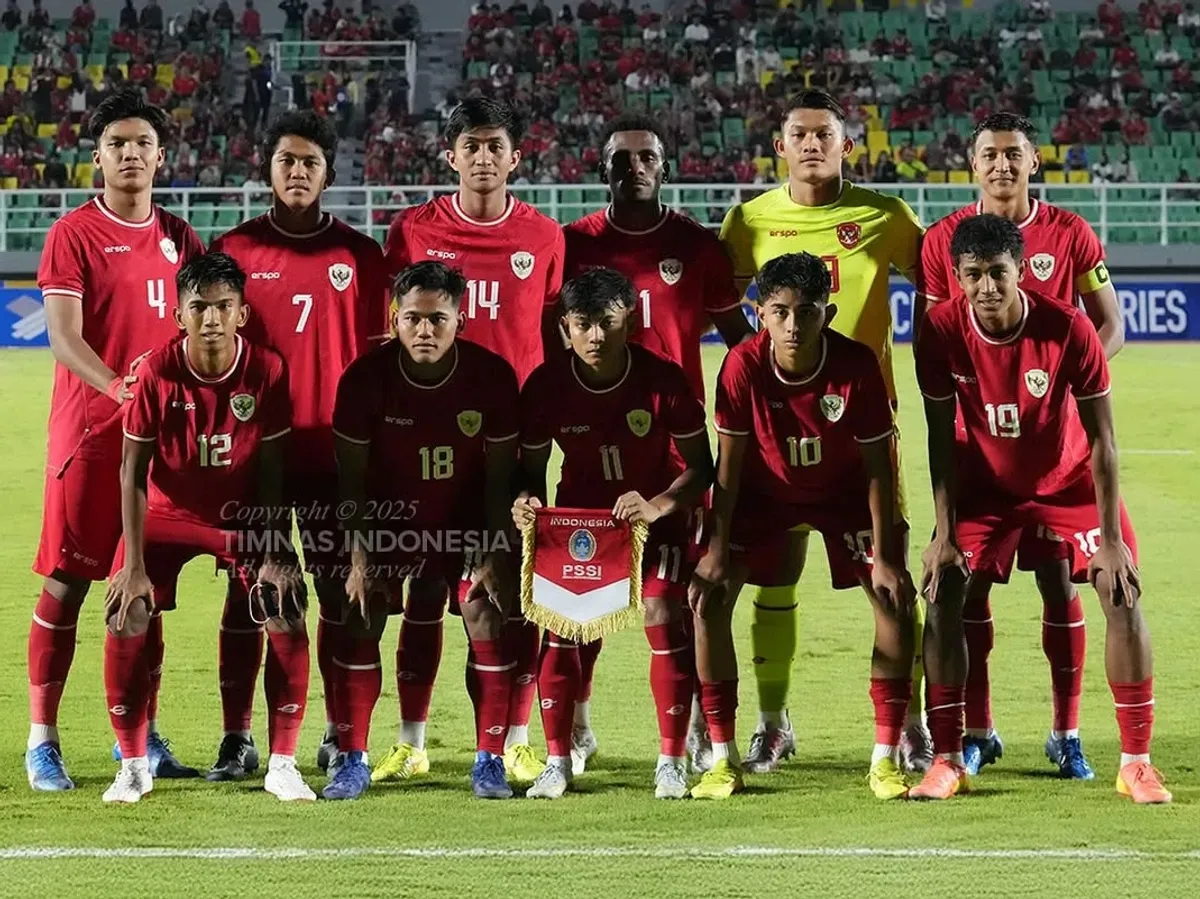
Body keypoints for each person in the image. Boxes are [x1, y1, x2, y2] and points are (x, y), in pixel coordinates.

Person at [912, 214, 1170, 805]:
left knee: (1120, 587)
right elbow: (938, 440)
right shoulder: (939, 332)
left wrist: (1110, 538)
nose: (986, 288)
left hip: (1069, 482)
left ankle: (1136, 762)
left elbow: (1104, 441)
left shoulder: (1069, 329)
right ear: (956, 278)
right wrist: (944, 535)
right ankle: (948, 758)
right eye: (972, 276)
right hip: (984, 488)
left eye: (998, 274)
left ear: (1021, 271)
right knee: (944, 591)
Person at [717, 87, 928, 775]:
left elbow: (938, 285)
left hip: (861, 430)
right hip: (775, 433)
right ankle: (772, 724)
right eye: (800, 134)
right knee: (773, 581)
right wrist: (759, 372)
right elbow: (726, 302)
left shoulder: (884, 214)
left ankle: (912, 723)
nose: (813, 144)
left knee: (890, 581)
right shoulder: (748, 218)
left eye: (826, 135)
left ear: (847, 145)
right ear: (778, 145)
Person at [917, 112, 1125, 780]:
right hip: (982, 448)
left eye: (1013, 154)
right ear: (970, 163)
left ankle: (1066, 733)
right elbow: (941, 337)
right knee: (965, 591)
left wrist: (1066, 383)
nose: (1002, 165)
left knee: (1059, 582)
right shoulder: (942, 241)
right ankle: (978, 731)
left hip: (1054, 442)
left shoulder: (1071, 232)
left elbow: (1108, 324)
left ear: (1035, 161)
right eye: (989, 154)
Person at [562, 113, 752, 775]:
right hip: (591, 454)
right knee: (577, 604)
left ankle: (695, 731)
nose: (634, 168)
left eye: (646, 158)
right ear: (604, 168)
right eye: (622, 159)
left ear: (663, 167)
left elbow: (740, 342)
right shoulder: (573, 244)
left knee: (677, 603)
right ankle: (575, 730)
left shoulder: (696, 246)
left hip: (675, 457)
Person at [687, 253, 916, 800]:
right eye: (780, 312)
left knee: (893, 600)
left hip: (843, 496)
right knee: (709, 599)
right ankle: (723, 759)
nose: (793, 325)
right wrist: (716, 549)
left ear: (828, 313)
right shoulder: (741, 365)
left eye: (806, 312)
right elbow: (729, 469)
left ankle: (886, 760)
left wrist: (885, 555)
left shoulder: (857, 364)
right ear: (759, 312)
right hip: (765, 497)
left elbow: (878, 468)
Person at [384, 97, 565, 785]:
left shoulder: (544, 237)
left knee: (508, 597)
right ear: (449, 155)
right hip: (426, 442)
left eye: (496, 146)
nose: (484, 157)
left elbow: (548, 341)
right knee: (425, 591)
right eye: (472, 145)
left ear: (516, 157)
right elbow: (390, 330)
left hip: (513, 448)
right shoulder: (411, 231)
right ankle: (412, 739)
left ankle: (514, 739)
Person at [29, 89, 204, 791]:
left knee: (144, 590)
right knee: (67, 583)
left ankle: (140, 733)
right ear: (96, 157)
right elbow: (63, 338)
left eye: (142, 144)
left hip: (159, 446)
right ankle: (42, 740)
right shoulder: (72, 233)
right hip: (93, 436)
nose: (130, 154)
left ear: (161, 157)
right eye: (116, 144)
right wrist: (117, 386)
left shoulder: (180, 238)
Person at [209, 109, 389, 781]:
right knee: (247, 594)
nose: (297, 172)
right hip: (255, 457)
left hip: (335, 457)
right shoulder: (234, 250)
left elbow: (377, 366)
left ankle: (342, 735)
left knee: (342, 594)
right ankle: (238, 737)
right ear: (268, 168)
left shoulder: (361, 257)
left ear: (328, 173)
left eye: (310, 162)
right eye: (286, 160)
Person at [104, 252, 312, 803]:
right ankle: (132, 763)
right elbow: (132, 472)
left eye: (224, 307)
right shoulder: (156, 371)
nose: (212, 318)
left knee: (283, 603)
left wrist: (275, 547)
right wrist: (132, 567)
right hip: (166, 516)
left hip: (240, 517)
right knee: (126, 611)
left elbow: (272, 472)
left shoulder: (267, 369)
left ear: (242, 313)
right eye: (199, 307)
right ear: (180, 315)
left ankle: (282, 763)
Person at [512, 268, 713, 799]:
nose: (595, 336)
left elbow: (701, 467)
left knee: (663, 613)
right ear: (566, 328)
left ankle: (670, 761)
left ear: (631, 321)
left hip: (655, 522)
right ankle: (558, 760)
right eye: (583, 324)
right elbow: (529, 469)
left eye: (607, 322)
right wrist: (529, 500)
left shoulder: (664, 380)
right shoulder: (546, 386)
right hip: (581, 527)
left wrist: (658, 505)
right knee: (564, 628)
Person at [326, 261, 521, 801]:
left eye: (438, 318)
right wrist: (361, 564)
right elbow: (352, 484)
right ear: (395, 319)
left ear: (462, 319)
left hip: (464, 525)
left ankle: (489, 760)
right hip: (390, 525)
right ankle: (353, 759)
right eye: (413, 318)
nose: (425, 330)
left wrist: (492, 551)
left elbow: (501, 479)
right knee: (360, 610)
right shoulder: (365, 380)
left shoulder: (492, 376)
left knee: (483, 607)